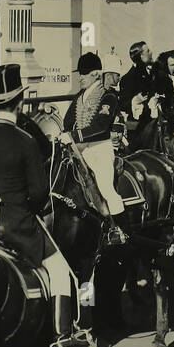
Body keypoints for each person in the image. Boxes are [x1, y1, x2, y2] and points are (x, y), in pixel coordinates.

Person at [0, 63, 83, 347]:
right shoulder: (26, 141)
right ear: (20, 102)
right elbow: (38, 193)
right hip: (16, 224)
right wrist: (31, 207)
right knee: (61, 271)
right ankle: (61, 337)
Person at [61, 52, 127, 244]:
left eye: (85, 73)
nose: (80, 76)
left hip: (100, 149)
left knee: (106, 189)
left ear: (97, 74)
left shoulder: (108, 97)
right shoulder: (80, 97)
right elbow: (68, 121)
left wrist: (74, 135)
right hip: (80, 150)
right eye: (80, 73)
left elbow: (100, 126)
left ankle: (122, 230)